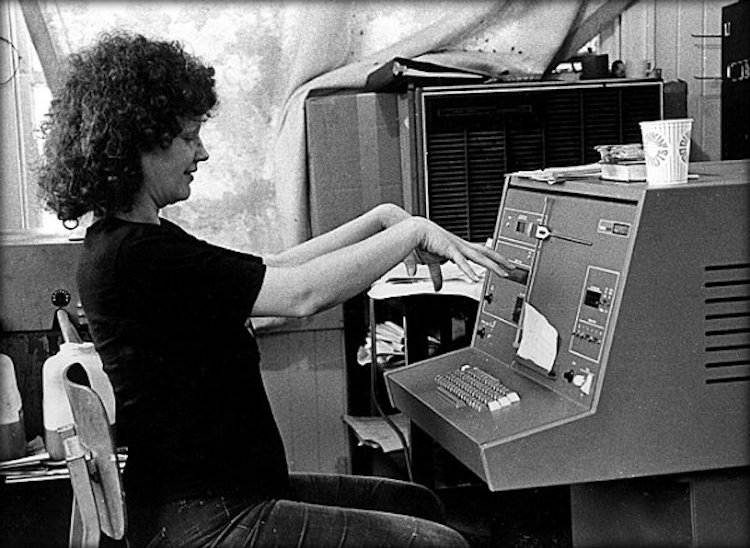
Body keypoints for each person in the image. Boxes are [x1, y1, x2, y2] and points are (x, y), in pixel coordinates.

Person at [37, 31, 515, 548]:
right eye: (189, 136)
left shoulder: (135, 243)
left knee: (418, 504)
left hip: (218, 498)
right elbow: (300, 296)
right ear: (141, 141)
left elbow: (275, 267)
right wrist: (414, 233)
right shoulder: (137, 256)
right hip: (209, 519)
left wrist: (380, 221)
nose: (202, 152)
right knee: (441, 545)